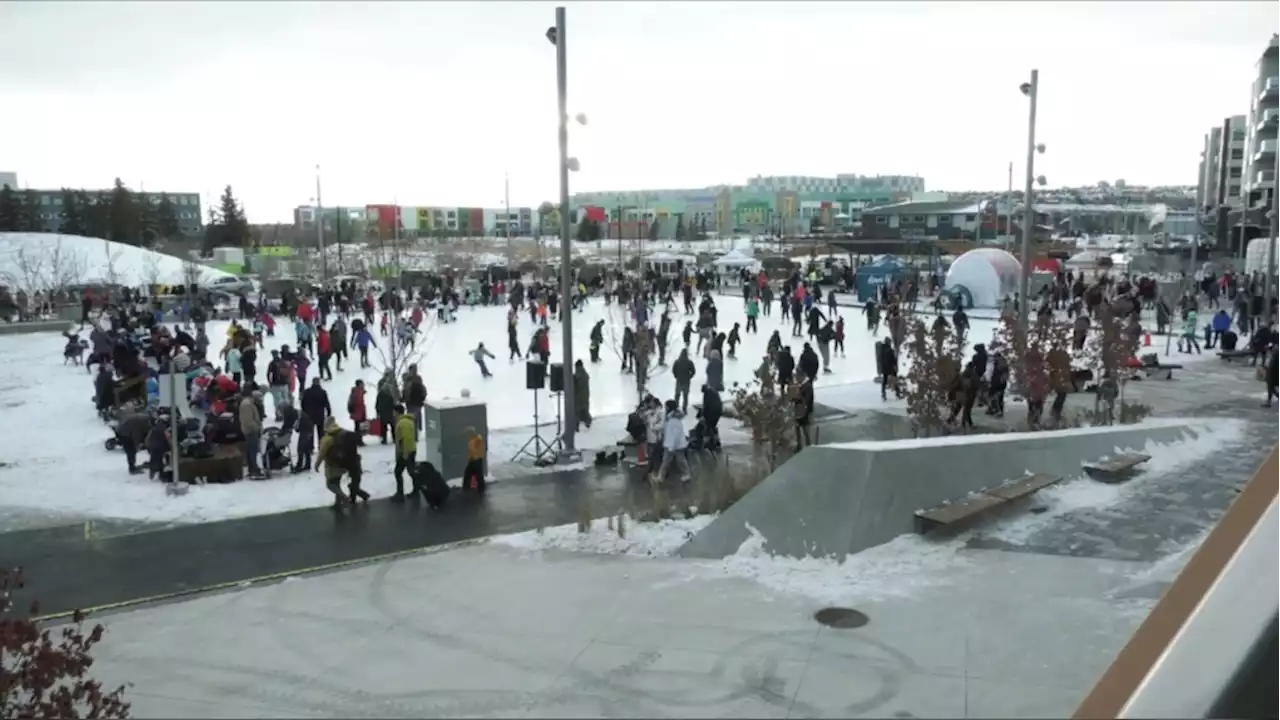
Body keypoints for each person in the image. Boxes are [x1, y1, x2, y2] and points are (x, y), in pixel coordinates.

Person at [653, 400, 690, 483]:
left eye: (666, 406)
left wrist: (671, 446)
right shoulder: (670, 417)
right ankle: (661, 477)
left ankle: (685, 474)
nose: (664, 408)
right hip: (672, 444)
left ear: (668, 407)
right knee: (668, 461)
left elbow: (675, 434)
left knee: (679, 461)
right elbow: (667, 430)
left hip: (674, 445)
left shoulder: (673, 419)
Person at [392, 404, 418, 501]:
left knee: (399, 472)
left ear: (397, 412)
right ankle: (416, 490)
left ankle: (400, 494)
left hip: (406, 451)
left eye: (394, 412)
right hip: (409, 450)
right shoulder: (405, 421)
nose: (393, 414)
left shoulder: (403, 423)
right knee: (411, 471)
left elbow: (406, 438)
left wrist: (405, 454)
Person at [240, 389, 265, 479]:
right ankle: (254, 470)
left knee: (251, 450)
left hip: (249, 430)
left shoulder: (249, 403)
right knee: (252, 451)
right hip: (251, 431)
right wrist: (256, 428)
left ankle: (252, 469)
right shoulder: (248, 405)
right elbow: (248, 421)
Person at [463, 426, 486, 493]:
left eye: (468, 433)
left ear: (471, 433)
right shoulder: (472, 439)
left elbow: (477, 449)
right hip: (473, 460)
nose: (466, 435)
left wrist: (475, 455)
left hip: (477, 460)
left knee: (478, 476)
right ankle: (466, 488)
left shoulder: (477, 439)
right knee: (468, 473)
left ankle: (481, 490)